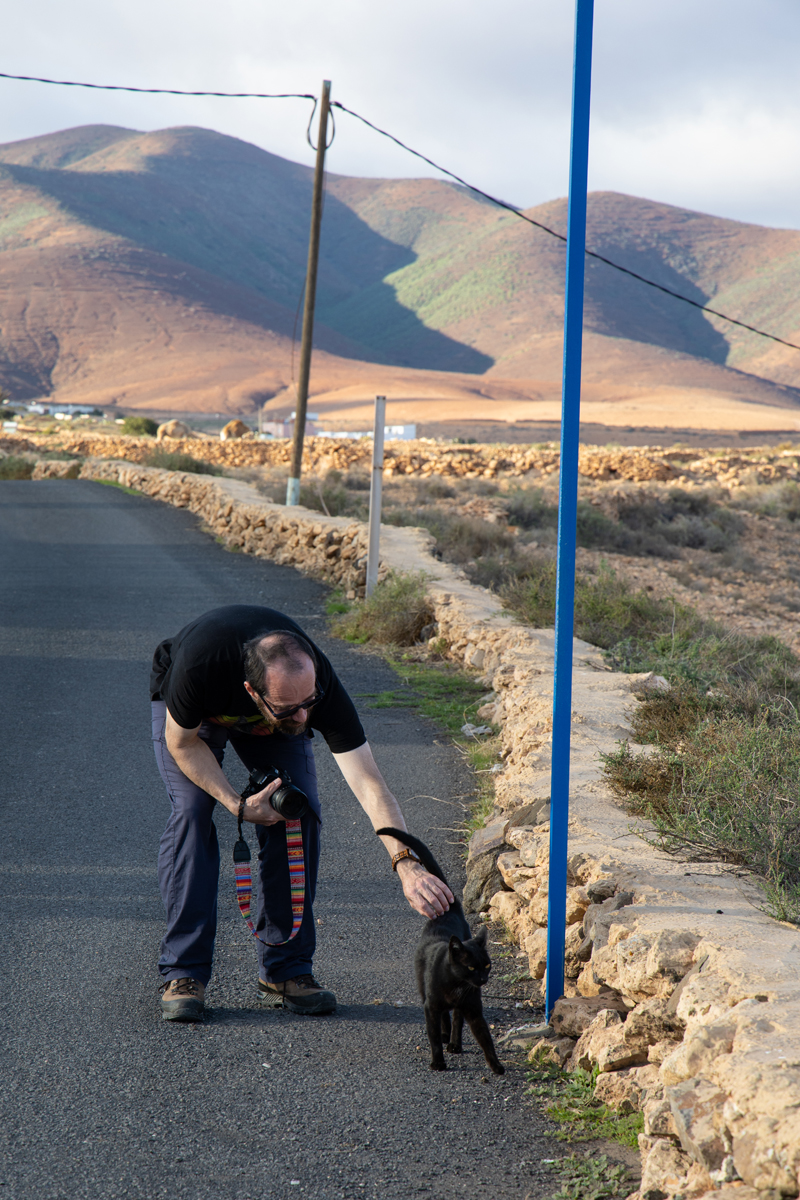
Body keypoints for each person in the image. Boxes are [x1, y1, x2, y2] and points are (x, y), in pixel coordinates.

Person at [151, 604, 453, 1022]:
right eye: (289, 707)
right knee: (192, 813)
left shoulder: (312, 690)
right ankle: (184, 972)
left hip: (266, 720)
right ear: (253, 691)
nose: (304, 717)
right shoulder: (199, 666)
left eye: (308, 703)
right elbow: (181, 744)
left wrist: (406, 863)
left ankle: (286, 969)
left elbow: (369, 783)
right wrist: (238, 806)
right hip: (196, 720)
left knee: (297, 810)